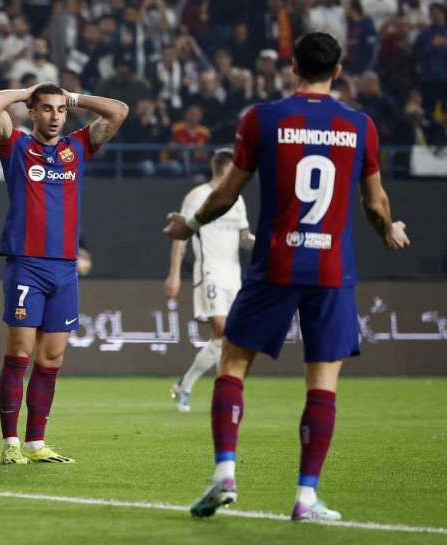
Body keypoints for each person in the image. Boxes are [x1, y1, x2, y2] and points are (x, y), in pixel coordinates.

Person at [164, 32, 410, 521]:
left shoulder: (263, 118)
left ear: (292, 66)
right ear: (337, 71)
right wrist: (388, 229)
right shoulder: (360, 126)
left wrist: (188, 224)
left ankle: (224, 473)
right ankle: (305, 497)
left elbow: (226, 194)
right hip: (331, 268)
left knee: (233, 363)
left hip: (276, 261)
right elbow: (375, 202)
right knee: (322, 382)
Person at [0, 83, 127, 464]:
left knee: (52, 359)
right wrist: (29, 91)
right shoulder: (15, 146)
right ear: (33, 112)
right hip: (26, 265)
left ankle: (36, 443)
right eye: (46, 108)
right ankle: (10, 442)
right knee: (19, 354)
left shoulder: (77, 147)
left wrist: (74, 97)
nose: (55, 116)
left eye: (60, 110)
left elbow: (119, 111)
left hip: (64, 268)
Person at [166, 148, 254, 413]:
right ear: (225, 168)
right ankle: (208, 392)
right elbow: (181, 237)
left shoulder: (237, 199)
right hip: (209, 271)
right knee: (222, 330)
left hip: (233, 275)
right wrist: (174, 273)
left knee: (226, 339)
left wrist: (262, 243)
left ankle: (185, 384)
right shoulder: (197, 196)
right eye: (234, 168)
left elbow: (244, 238)